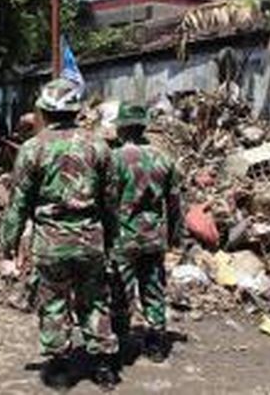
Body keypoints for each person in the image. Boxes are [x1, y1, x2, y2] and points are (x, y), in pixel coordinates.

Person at [0, 78, 119, 391]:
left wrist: (8, 244)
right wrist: (113, 237)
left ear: (44, 111)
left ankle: (61, 370)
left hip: (51, 244)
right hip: (90, 240)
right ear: (77, 110)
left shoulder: (32, 149)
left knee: (54, 302)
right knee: (94, 300)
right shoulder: (98, 146)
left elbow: (19, 203)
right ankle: (104, 366)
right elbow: (111, 201)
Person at [109, 102, 184, 362]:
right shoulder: (164, 158)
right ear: (143, 127)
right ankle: (155, 344)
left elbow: (105, 202)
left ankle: (121, 342)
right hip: (154, 236)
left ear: (121, 128)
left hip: (123, 238)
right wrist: (176, 236)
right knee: (153, 289)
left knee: (120, 292)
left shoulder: (114, 159)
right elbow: (174, 203)